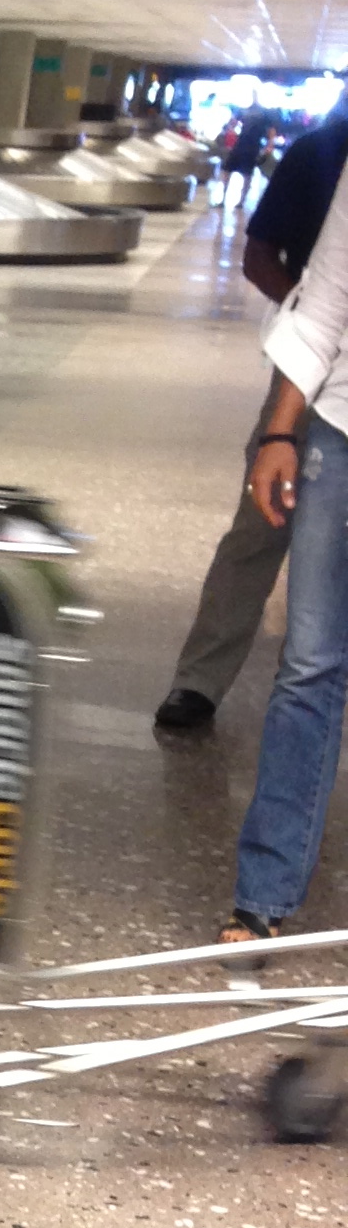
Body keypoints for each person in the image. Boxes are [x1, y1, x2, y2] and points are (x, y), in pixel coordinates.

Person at [157, 108, 348, 734]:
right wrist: (308, 317)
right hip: (309, 373)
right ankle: (199, 680)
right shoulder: (320, 153)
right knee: (260, 526)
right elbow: (258, 254)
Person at [227, 161, 348, 939]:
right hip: (342, 433)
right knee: (309, 666)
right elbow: (327, 296)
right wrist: (280, 430)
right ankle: (264, 893)